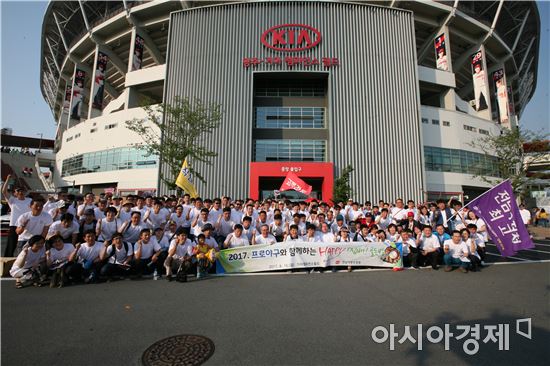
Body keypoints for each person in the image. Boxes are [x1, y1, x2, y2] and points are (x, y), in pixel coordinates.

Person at [2, 175, 32, 257]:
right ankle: (7, 261)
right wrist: (7, 179)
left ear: (25, 192)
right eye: (18, 191)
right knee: (11, 245)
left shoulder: (30, 200)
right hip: (14, 225)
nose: (21, 192)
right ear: (15, 193)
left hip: (27, 225)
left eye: (22, 191)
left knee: (26, 245)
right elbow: (4, 191)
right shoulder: (12, 200)